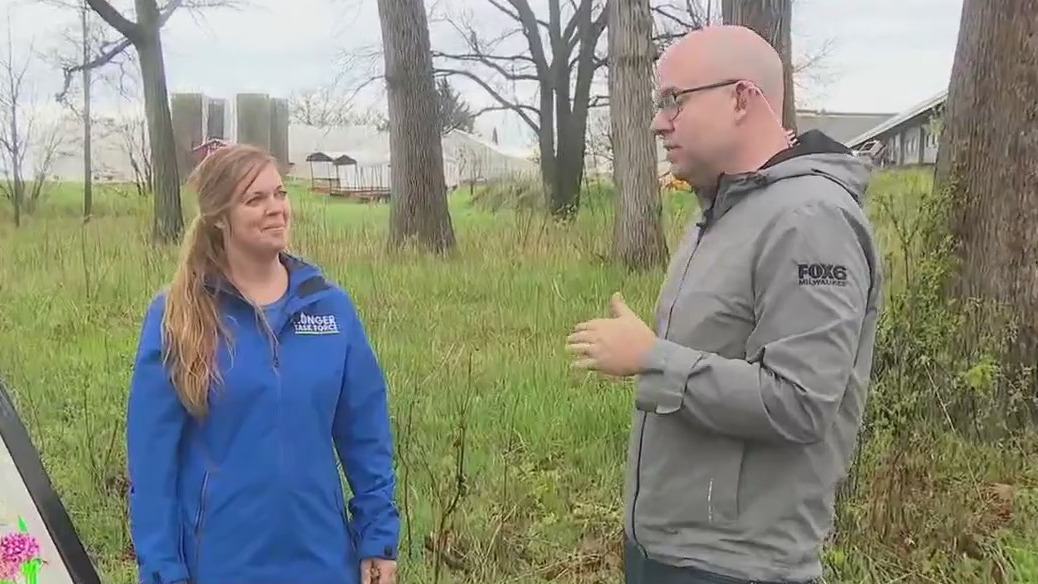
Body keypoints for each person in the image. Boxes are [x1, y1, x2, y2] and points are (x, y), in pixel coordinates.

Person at [566, 25, 883, 584]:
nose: (657, 120)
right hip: (668, 548)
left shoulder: (809, 219)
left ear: (741, 98)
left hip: (736, 566)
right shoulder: (721, 210)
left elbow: (801, 402)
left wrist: (651, 359)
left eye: (674, 101)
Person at [125, 143, 400, 584]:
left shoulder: (330, 309)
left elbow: (366, 435)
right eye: (255, 200)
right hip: (220, 566)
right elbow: (152, 463)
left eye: (280, 194)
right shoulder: (178, 316)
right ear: (219, 217)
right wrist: (162, 568)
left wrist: (378, 537)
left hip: (322, 562)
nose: (276, 209)